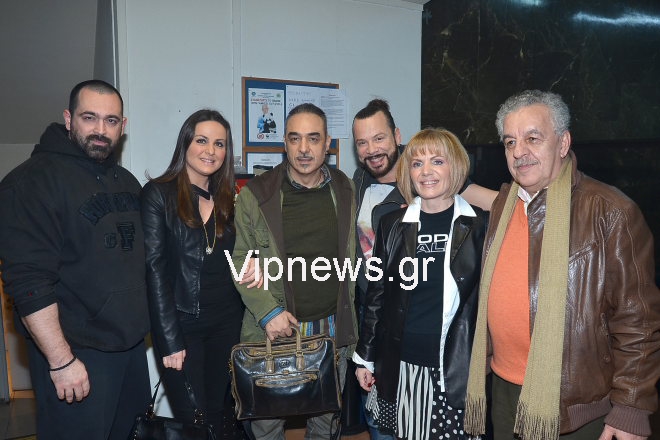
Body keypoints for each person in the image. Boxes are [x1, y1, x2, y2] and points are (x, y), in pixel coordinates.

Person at [464, 90, 660, 440]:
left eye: (532, 138)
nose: (519, 152)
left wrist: (631, 408)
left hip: (577, 407)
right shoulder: (505, 206)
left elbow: (639, 321)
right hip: (504, 391)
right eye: (510, 142)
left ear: (563, 142)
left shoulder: (610, 211)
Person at [0, 79, 151, 439]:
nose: (101, 130)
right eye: (89, 117)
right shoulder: (31, 182)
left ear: (123, 126)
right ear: (68, 119)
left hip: (129, 350)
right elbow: (29, 282)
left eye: (111, 121)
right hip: (76, 356)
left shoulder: (127, 182)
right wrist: (61, 361)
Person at [351, 98, 497, 439]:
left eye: (437, 161)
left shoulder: (480, 227)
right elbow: (377, 296)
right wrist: (365, 358)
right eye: (417, 163)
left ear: (455, 167)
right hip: (403, 363)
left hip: (456, 365)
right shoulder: (392, 224)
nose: (426, 171)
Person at [231, 103, 357, 440]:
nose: (304, 149)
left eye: (313, 139)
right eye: (295, 138)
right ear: (284, 143)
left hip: (332, 329)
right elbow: (241, 260)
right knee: (267, 424)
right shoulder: (256, 195)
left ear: (327, 144)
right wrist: (268, 312)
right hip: (276, 330)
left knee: (325, 423)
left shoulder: (345, 189)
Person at [141, 109, 259, 437]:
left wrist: (255, 260)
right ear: (186, 144)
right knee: (194, 420)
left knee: (223, 414)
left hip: (227, 324)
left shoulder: (231, 199)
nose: (211, 150)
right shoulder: (158, 194)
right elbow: (154, 271)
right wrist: (169, 340)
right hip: (182, 327)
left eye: (219, 144)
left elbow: (241, 253)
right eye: (202, 141)